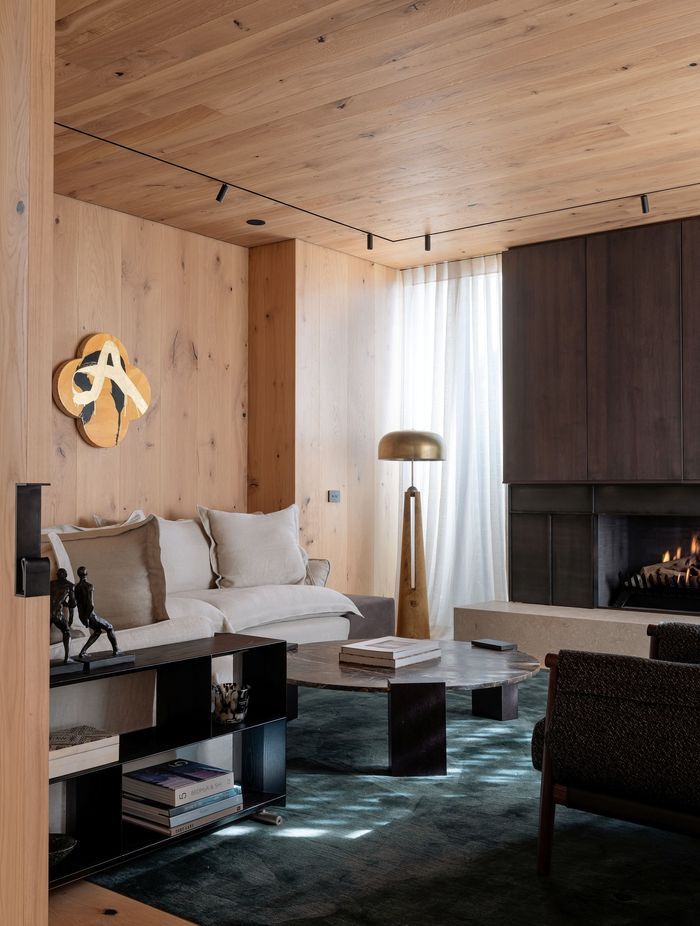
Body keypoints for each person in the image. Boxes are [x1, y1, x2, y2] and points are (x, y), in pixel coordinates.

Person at [74, 566, 121, 659]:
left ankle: (82, 652)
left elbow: (77, 603)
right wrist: (88, 618)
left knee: (97, 631)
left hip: (82, 616)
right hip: (90, 615)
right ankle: (116, 650)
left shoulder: (76, 587)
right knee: (110, 627)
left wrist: (84, 618)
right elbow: (91, 605)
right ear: (86, 574)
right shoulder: (89, 586)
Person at [50, 568, 76, 664]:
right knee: (66, 631)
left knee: (43, 635)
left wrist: (63, 602)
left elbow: (54, 598)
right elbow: (72, 604)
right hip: (57, 614)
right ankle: (67, 657)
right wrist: (71, 618)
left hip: (46, 613)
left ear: (57, 575)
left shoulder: (51, 583)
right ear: (66, 575)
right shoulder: (70, 585)